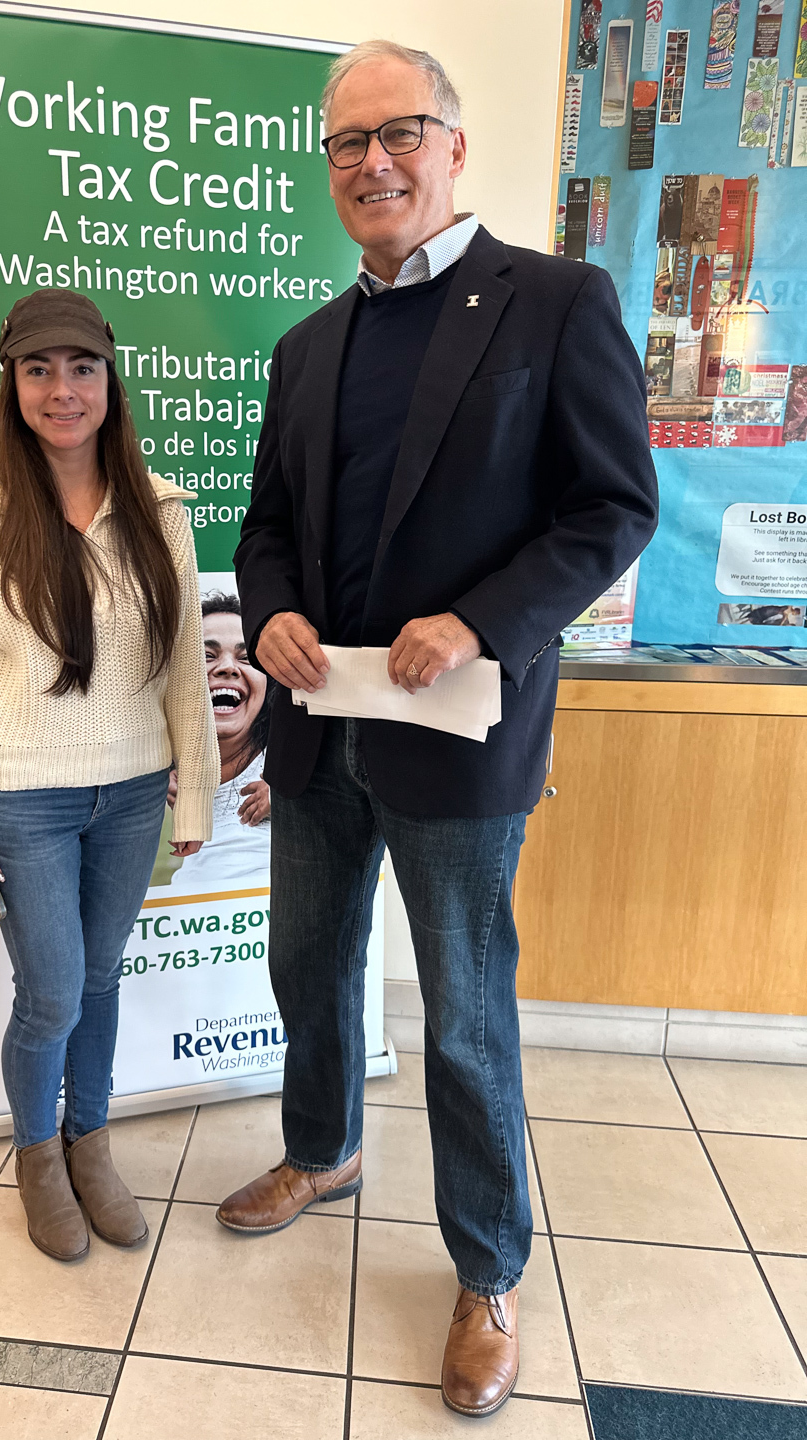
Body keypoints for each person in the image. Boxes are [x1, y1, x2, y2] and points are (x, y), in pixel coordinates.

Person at [225, 40, 659, 1418]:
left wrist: (480, 621)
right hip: (321, 736)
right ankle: (325, 1146)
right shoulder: (307, 345)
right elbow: (271, 529)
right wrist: (277, 615)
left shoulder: (555, 301)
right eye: (347, 143)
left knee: (467, 1014)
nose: (372, 162)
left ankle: (486, 1270)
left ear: (454, 146)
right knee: (306, 960)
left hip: (460, 734)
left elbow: (610, 509)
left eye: (398, 132)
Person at [0, 289, 218, 1263]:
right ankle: (38, 1155)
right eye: (39, 369)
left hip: (132, 794)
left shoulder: (156, 508)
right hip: (21, 802)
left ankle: (92, 1142)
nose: (62, 389)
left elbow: (183, 669)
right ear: (11, 383)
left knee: (101, 975)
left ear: (110, 378)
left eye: (81, 367)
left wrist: (197, 791)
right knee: (52, 993)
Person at [168, 594, 271, 890]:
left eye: (246, 658)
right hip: (192, 924)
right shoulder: (155, 765)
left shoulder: (297, 762)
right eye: (207, 656)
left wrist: (292, 797)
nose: (227, 668)